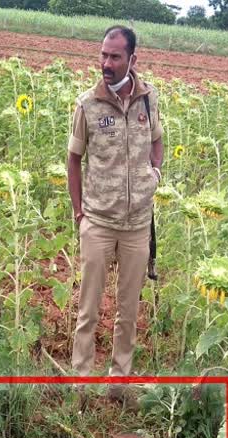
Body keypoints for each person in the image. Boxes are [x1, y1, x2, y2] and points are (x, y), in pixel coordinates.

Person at [66, 26, 164, 399]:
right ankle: (82, 385)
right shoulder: (87, 104)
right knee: (88, 311)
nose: (106, 63)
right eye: (103, 55)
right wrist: (80, 213)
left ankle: (119, 383)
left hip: (138, 225)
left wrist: (154, 174)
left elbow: (157, 139)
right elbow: (73, 160)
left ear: (132, 60)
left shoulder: (148, 99)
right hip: (99, 223)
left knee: (128, 312)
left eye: (115, 57)